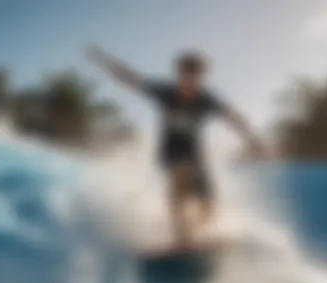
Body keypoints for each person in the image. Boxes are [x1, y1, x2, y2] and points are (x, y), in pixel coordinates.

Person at [86, 45, 264, 247]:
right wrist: (104, 61)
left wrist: (251, 139)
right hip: (171, 148)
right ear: (179, 74)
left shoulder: (207, 99)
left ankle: (191, 231)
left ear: (202, 77)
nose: (190, 82)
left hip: (194, 153)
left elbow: (233, 117)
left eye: (196, 77)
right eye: (187, 76)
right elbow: (131, 78)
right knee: (180, 175)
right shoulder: (165, 92)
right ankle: (181, 233)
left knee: (208, 209)